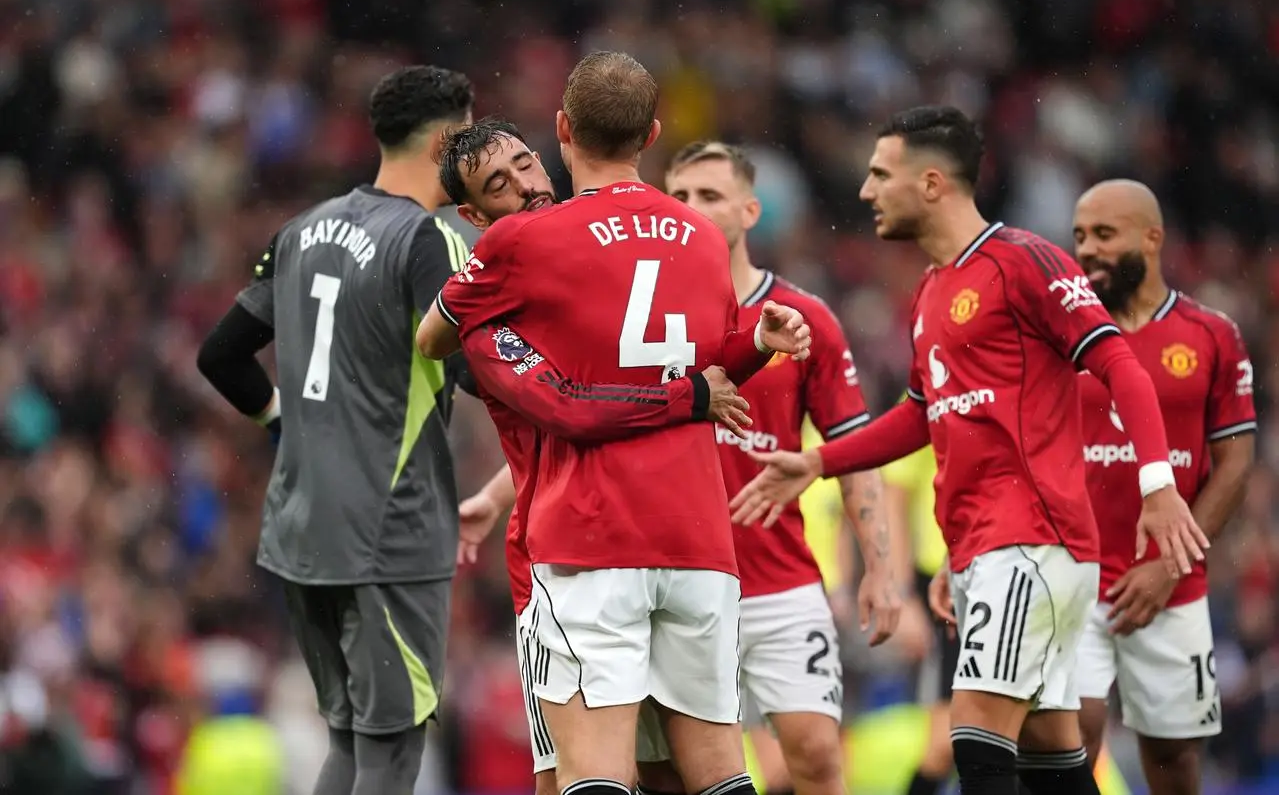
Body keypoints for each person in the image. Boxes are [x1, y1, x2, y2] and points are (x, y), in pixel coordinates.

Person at [728, 105, 1209, 795]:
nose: (865, 191)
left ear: (930, 184)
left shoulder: (1021, 261)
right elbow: (920, 415)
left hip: (1032, 541)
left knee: (974, 736)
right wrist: (818, 462)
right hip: (987, 549)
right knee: (1048, 751)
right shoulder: (930, 290)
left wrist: (1156, 487)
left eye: (880, 175)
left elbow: (1119, 365)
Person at [417, 51, 810, 795]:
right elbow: (696, 371)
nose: (524, 184)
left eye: (524, 164)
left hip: (587, 541)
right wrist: (746, 351)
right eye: (499, 184)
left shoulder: (519, 252)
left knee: (587, 774)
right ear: (654, 133)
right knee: (709, 773)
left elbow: (480, 360)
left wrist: (723, 369)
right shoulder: (701, 237)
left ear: (561, 132)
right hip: (695, 540)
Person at [195, 65, 477, 795]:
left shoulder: (303, 229)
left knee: (349, 742)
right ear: (443, 143)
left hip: (302, 526)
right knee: (392, 751)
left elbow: (221, 354)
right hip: (389, 532)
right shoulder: (426, 239)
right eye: (468, 140)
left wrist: (280, 421)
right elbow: (480, 370)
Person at [664, 140, 901, 795]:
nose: (692, 208)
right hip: (675, 579)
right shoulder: (649, 317)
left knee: (817, 755)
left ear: (750, 211)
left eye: (710, 195)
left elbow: (856, 451)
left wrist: (881, 569)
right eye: (679, 196)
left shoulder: (803, 319)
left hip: (778, 577)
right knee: (685, 771)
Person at [1071, 180, 1256, 794]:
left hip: (1172, 586)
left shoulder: (1212, 334)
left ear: (1152, 238)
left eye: (1105, 234)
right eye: (1079, 236)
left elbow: (1235, 463)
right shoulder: (1060, 335)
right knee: (1072, 739)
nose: (1088, 249)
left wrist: (1170, 566)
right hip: (1073, 577)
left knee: (1173, 757)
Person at [879, 436, 957, 795]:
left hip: (1010, 577)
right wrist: (904, 595)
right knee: (945, 743)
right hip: (943, 590)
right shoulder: (930, 403)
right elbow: (894, 497)